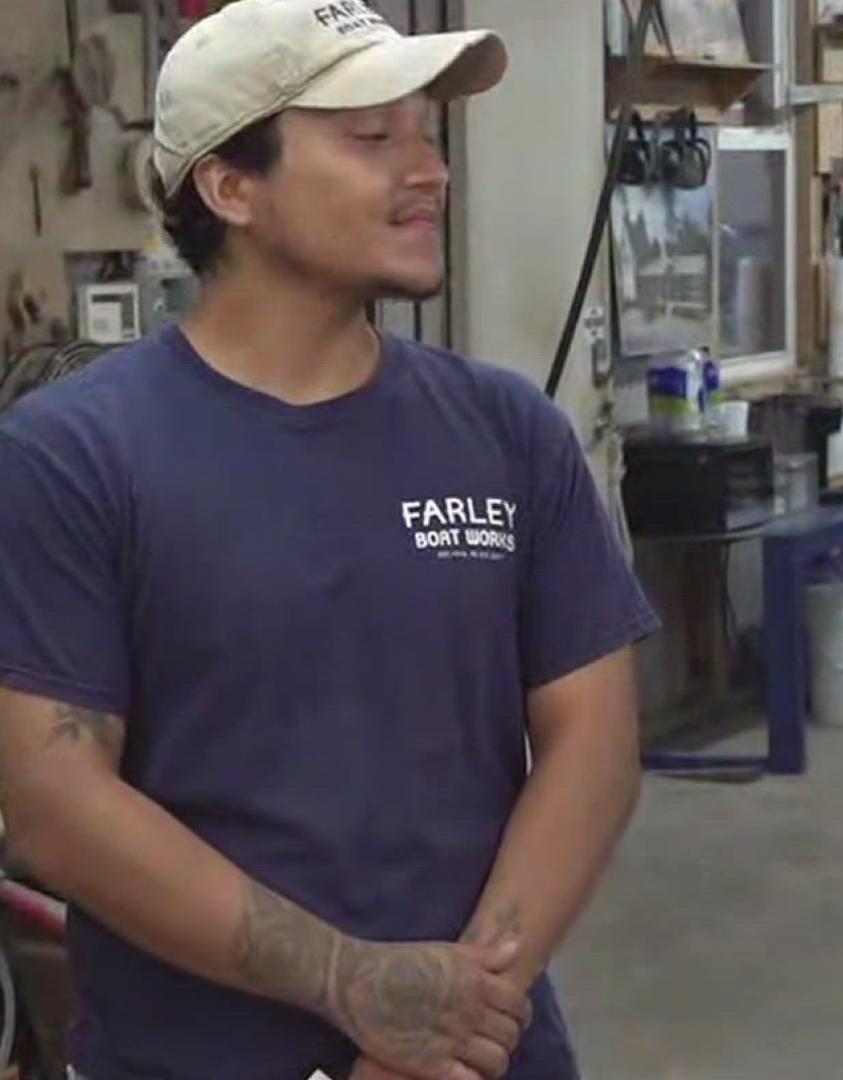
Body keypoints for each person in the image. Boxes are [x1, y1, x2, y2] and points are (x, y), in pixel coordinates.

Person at [0, 2, 657, 1077]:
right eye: (372, 136)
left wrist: (449, 1015)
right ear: (230, 187)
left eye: (426, 132)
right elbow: (58, 808)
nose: (430, 170)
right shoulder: (71, 457)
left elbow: (593, 745)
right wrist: (357, 986)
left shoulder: (506, 435)